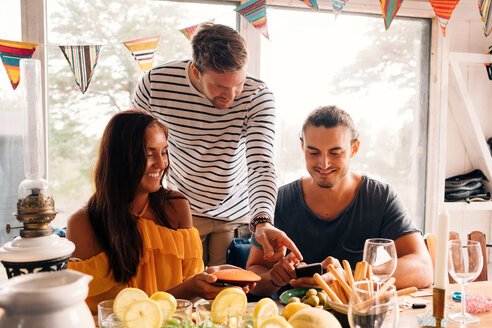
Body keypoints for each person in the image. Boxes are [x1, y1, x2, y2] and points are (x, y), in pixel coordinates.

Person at [132, 23, 301, 266]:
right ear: (196, 71)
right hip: (179, 211)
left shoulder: (257, 95)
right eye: (220, 86)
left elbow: (260, 165)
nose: (230, 96)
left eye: (238, 84)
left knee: (230, 295)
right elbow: (134, 150)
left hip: (236, 215)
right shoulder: (154, 85)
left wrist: (262, 221)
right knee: (183, 294)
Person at [66, 109, 253, 314]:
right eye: (149, 154)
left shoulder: (176, 206)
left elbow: (190, 293)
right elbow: (101, 312)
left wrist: (210, 278)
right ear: (120, 159)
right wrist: (191, 287)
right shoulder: (83, 223)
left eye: (164, 152)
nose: (162, 163)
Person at [246, 106, 433, 297]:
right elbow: (252, 277)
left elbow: (423, 268)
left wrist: (349, 278)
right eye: (313, 152)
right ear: (302, 146)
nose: (324, 164)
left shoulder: (380, 197)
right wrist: (273, 278)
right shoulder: (280, 200)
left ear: (354, 148)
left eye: (335, 153)